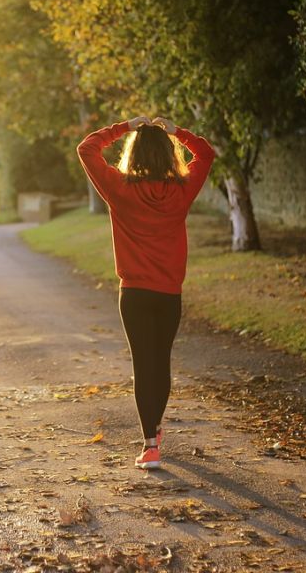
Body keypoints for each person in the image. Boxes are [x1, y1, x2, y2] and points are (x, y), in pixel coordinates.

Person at [77, 115, 215, 470]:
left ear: (133, 154)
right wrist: (177, 132)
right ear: (169, 155)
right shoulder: (182, 190)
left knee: (143, 363)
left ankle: (150, 444)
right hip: (169, 293)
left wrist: (124, 127)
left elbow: (87, 148)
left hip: (134, 294)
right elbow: (206, 153)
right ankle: (154, 429)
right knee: (161, 361)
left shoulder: (119, 188)